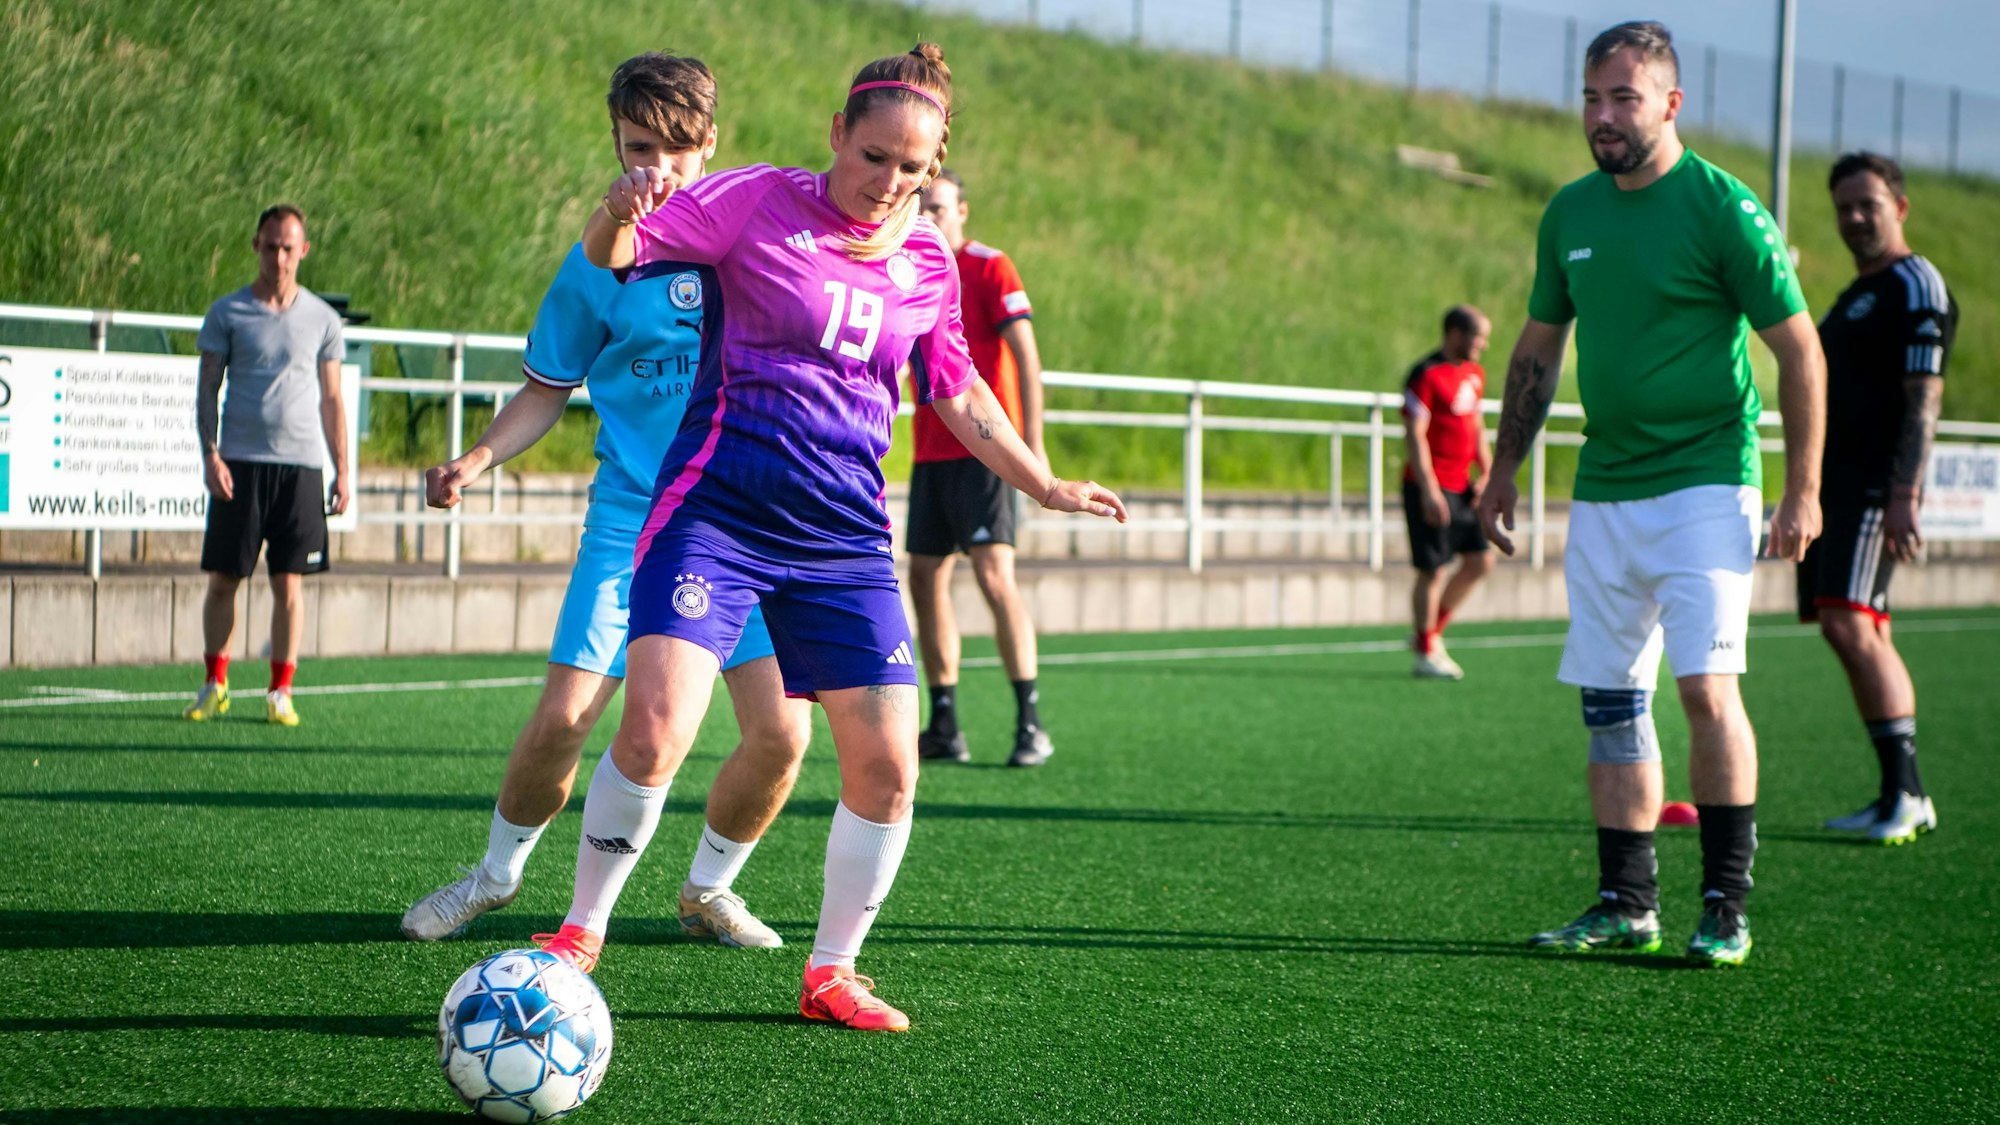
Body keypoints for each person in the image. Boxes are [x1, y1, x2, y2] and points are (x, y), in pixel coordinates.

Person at [557, 43, 1126, 1031]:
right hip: (714, 516)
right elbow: (617, 261)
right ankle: (578, 934)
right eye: (873, 158)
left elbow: (955, 390)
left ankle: (830, 974)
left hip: (842, 539)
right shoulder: (752, 201)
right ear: (836, 135)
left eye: (913, 169)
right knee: (652, 729)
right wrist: (617, 206)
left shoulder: (926, 262)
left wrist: (1044, 479)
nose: (889, 183)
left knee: (888, 766)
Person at [400, 54, 813, 951]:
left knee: (782, 734)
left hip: (743, 520)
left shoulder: (757, 241)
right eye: (635, 148)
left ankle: (707, 891)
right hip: (636, 521)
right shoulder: (598, 259)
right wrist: (476, 457)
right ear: (615, 144)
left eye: (674, 150)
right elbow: (547, 388)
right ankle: (494, 875)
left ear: (711, 144)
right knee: (565, 719)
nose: (654, 170)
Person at [1477, 21, 1824, 967]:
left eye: (1623, 98)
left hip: (1708, 482)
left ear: (1671, 103)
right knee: (1610, 698)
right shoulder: (1571, 214)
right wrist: (1504, 465)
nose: (1602, 116)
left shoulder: (1724, 209)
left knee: (1707, 691)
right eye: (1592, 97)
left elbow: (1799, 349)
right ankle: (1627, 902)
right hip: (1606, 487)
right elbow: (1538, 350)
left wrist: (1804, 489)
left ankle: (1726, 905)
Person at [1803, 152, 1954, 846]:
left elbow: (1925, 397)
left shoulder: (1914, 283)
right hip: (1836, 486)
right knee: (1858, 626)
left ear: (1901, 206)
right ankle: (1898, 790)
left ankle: (1910, 792)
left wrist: (1904, 491)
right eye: (1844, 207)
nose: (1854, 218)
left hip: (1873, 488)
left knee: (1850, 623)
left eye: (1868, 203)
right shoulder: (1855, 293)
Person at [907, 168, 1053, 766]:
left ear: (963, 211)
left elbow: (1026, 357)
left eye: (939, 208)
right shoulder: (908, 264)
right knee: (924, 578)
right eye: (922, 208)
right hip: (930, 451)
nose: (929, 217)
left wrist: (1034, 446)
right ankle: (945, 723)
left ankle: (1030, 721)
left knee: (995, 578)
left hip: (987, 451)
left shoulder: (990, 266)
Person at [185, 204, 351, 727]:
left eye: (288, 248)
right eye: (270, 245)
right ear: (255, 245)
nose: (279, 257)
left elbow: (331, 399)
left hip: (300, 468)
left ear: (303, 251)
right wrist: (209, 453)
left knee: (289, 585)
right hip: (239, 464)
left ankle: (281, 691)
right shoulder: (227, 313)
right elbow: (207, 388)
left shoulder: (322, 319)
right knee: (223, 580)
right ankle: (215, 683)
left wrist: (342, 469)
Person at [1401, 304, 1494, 680]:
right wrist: (1428, 490)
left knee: (1480, 561)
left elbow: (1476, 425)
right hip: (1431, 487)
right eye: (1478, 337)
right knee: (1432, 570)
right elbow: (1415, 434)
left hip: (1464, 485)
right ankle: (1425, 653)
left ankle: (1430, 632)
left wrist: (1489, 473)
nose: (1483, 345)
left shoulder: (1474, 374)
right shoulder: (1425, 375)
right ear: (1455, 333)